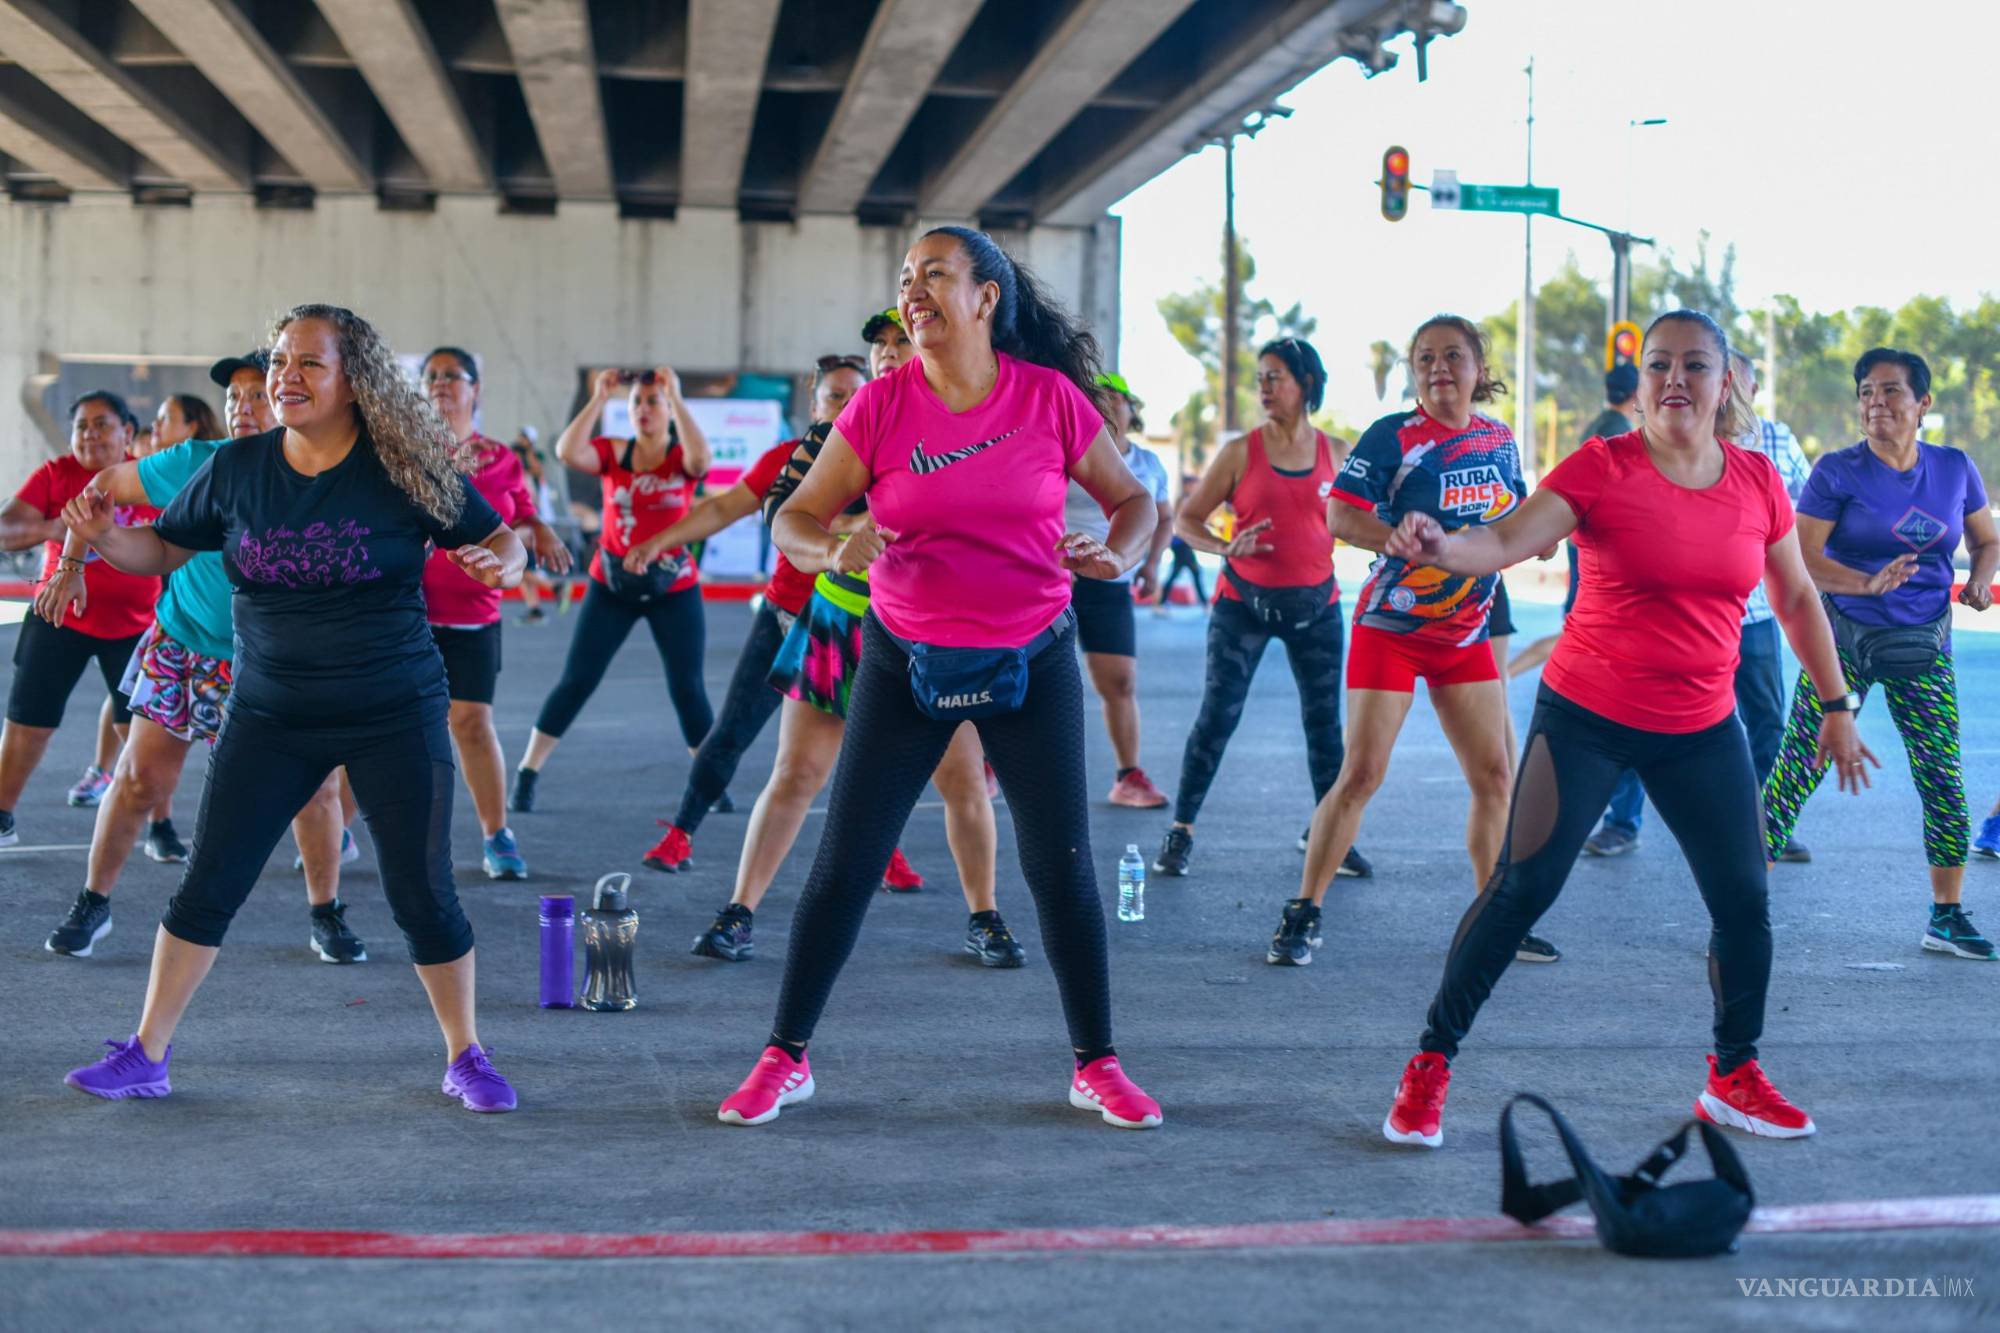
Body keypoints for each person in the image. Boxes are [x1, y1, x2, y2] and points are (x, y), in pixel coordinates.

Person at [1380, 310, 1872, 1149]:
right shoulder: (1602, 466)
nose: (1674, 379)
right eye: (1658, 366)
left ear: (1726, 384)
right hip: (1588, 720)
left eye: (1694, 365)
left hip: (1701, 726)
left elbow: (1794, 597)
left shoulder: (1756, 482)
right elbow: (1503, 538)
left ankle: (1734, 1074)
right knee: (1520, 891)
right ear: (1641, 383)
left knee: (1745, 901)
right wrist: (1437, 544)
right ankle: (1429, 1065)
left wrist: (1835, 707)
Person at [717, 225, 1162, 1129]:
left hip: (1030, 652)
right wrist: (831, 541)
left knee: (1062, 865)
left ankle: (1097, 1063)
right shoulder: (879, 407)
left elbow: (1136, 501)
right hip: (904, 652)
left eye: (935, 276)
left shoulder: (1047, 400)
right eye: (907, 277)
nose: (914, 291)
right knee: (843, 864)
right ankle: (784, 1057)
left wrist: (1117, 556)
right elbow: (792, 516)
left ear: (985, 297)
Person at [59, 304, 526, 1112]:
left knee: (421, 893)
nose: (287, 376)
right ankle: (147, 1052)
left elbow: (505, 537)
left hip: (392, 708)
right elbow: (164, 548)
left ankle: (467, 1055)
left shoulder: (401, 464)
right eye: (280, 360)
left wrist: (503, 566)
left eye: (310, 362)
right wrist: (102, 538)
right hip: (269, 712)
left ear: (354, 379)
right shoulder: (239, 468)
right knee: (208, 884)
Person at [35, 352, 357, 962]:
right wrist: (73, 563)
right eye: (234, 395)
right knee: (139, 779)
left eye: (255, 393)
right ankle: (92, 903)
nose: (241, 404)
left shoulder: (325, 475)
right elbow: (100, 487)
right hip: (185, 646)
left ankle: (327, 914)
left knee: (314, 793)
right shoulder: (196, 462)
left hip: (278, 659)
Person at [685, 410, 1006, 965]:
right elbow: (784, 514)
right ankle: (738, 913)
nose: (888, 354)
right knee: (796, 772)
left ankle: (986, 918)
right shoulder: (840, 434)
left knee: (962, 779)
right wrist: (841, 538)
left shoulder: (967, 427)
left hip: (934, 627)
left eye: (897, 344)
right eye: (880, 345)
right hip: (839, 619)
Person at [1280, 316, 1547, 967]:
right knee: (1362, 773)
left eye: (1454, 355)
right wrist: (1389, 535)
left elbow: (1515, 519)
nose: (1438, 368)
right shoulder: (1393, 436)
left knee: (1494, 776)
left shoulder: (1499, 439)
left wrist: (1546, 534)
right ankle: (1303, 911)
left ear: (1479, 367)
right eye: (1425, 357)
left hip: (1467, 631)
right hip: (1392, 627)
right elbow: (1341, 512)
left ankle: (1492, 916)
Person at [1762, 347, 1998, 961]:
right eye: (1867, 391)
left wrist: (1978, 581)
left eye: (1891, 391)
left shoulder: (1953, 468)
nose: (1876, 403)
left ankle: (1945, 917)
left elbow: (1987, 539)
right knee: (1796, 771)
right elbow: (1803, 558)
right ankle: (1737, 908)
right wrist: (1865, 583)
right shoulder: (1837, 472)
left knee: (1943, 779)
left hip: (1925, 643)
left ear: (1924, 404)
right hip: (1844, 642)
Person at [638, 350, 885, 876]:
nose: (844, 405)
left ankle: (889, 856)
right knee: (732, 732)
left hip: (853, 631)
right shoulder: (786, 459)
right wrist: (659, 541)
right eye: (833, 395)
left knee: (868, 754)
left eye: (854, 395)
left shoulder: (882, 462)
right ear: (813, 401)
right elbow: (723, 507)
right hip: (785, 617)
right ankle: (681, 832)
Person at [1152, 337, 1367, 881]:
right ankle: (1181, 830)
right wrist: (1225, 548)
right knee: (1217, 718)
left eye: (1276, 377)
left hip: (1317, 607)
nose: (1264, 388)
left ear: (1307, 385)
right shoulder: (1239, 452)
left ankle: (1330, 836)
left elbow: (1367, 519)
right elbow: (1186, 519)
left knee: (1324, 727)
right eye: (1261, 378)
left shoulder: (1338, 453)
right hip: (1241, 606)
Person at [509, 367, 714, 811]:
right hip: (612, 584)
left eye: (652, 402)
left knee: (688, 687)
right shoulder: (614, 453)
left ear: (667, 410)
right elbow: (567, 451)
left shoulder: (681, 456)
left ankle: (709, 781)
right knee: (578, 680)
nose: (643, 410)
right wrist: (600, 397)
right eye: (636, 402)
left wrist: (676, 394)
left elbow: (703, 462)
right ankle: (527, 772)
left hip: (673, 584)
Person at [420, 347, 573, 881]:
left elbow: (521, 513)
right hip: (407, 615)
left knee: (471, 723)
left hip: (473, 616)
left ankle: (496, 834)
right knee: (381, 724)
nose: (441, 384)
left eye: (452, 376)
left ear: (475, 390)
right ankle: (338, 831)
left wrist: (543, 530)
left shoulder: (499, 458)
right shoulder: (406, 451)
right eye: (432, 376)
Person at [0, 392, 160, 849]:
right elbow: (5, 529)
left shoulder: (148, 477)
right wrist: (58, 527)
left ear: (127, 432)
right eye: (82, 425)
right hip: (58, 619)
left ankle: (156, 827)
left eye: (101, 423)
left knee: (144, 733)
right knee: (28, 724)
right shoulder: (57, 474)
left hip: (136, 625)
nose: (90, 433)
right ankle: (1, 815)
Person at [1066, 371, 1174, 806]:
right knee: (1026, 676)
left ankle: (1129, 776)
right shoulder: (1070, 452)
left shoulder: (1148, 464)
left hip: (1111, 580)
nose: (1108, 407)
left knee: (1121, 681)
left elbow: (1163, 519)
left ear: (1133, 409)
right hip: (1055, 577)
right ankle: (989, 762)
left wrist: (1151, 564)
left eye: (1117, 400)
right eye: (1099, 400)